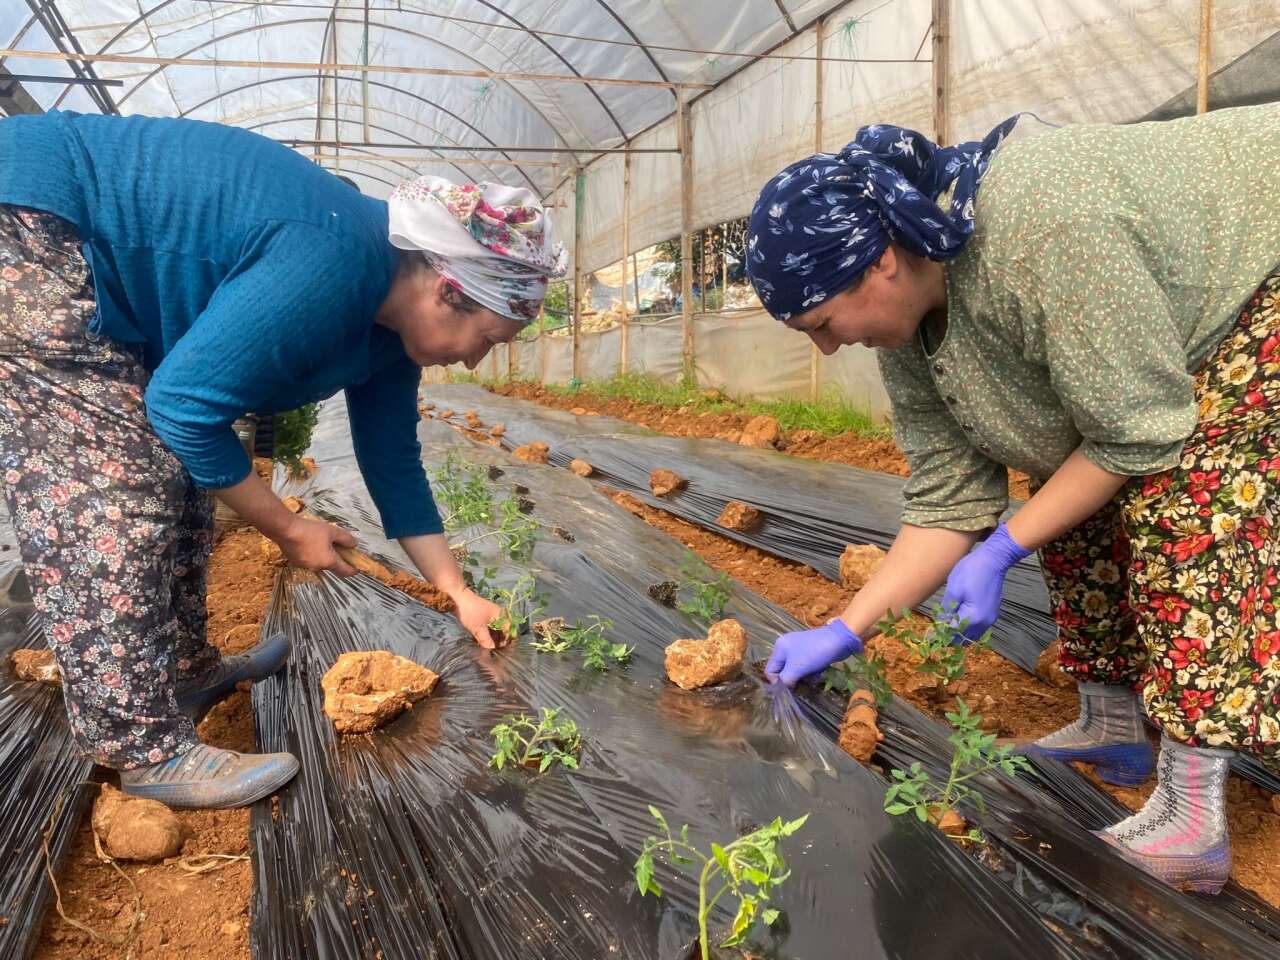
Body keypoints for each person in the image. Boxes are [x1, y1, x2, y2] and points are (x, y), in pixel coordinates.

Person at [747, 104, 1280, 893]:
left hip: (1256, 284)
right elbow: (947, 498)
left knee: (1185, 486)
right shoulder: (911, 328)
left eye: (824, 322)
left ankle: (1193, 815)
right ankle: (1113, 722)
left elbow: (1140, 432)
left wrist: (1005, 548)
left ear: (878, 266)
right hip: (1167, 328)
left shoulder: (1043, 231)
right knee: (1062, 473)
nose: (828, 346)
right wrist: (845, 627)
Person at [0, 110, 565, 809]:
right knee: (111, 484)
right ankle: (137, 744)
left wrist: (456, 592)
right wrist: (291, 530)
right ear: (448, 290)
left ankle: (183, 670)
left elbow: (393, 460)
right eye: (486, 336)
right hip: (32, 223)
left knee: (175, 469)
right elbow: (182, 406)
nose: (476, 357)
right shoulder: (336, 260)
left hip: (64, 229)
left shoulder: (390, 334)